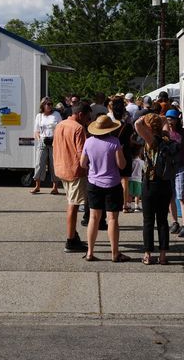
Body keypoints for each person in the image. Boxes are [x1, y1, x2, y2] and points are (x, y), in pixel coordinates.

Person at [79, 114, 129, 262]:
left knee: (93, 218)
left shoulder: (88, 142)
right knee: (112, 219)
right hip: (112, 184)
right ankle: (115, 253)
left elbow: (82, 164)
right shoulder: (114, 142)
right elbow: (122, 165)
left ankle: (90, 252)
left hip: (93, 184)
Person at [134, 114, 179, 265]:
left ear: (149, 128)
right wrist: (162, 119)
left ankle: (148, 254)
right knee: (162, 221)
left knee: (148, 221)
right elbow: (165, 125)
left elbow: (137, 124)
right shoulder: (167, 139)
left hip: (150, 184)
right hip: (165, 184)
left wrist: (145, 118)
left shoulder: (150, 140)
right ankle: (163, 255)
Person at [53, 101, 91, 253]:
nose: (88, 121)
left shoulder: (60, 124)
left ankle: (73, 234)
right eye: (88, 117)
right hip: (75, 171)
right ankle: (70, 240)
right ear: (80, 114)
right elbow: (82, 154)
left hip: (61, 168)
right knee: (73, 206)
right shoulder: (78, 128)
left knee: (71, 203)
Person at [164, 109, 184, 238]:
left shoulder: (183, 132)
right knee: (170, 196)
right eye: (168, 118)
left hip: (180, 167)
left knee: (182, 197)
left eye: (172, 118)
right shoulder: (164, 132)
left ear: (177, 119)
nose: (170, 121)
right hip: (168, 168)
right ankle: (175, 222)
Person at [109, 95, 137, 212]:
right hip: (125, 152)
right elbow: (132, 141)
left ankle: (114, 202)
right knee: (125, 179)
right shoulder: (128, 126)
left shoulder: (110, 126)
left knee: (113, 177)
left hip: (112, 152)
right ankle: (125, 204)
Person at [31, 97, 62, 195]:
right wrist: (40, 139)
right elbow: (36, 131)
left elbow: (61, 128)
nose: (50, 106)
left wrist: (57, 139)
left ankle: (55, 187)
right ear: (43, 105)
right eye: (47, 104)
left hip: (54, 141)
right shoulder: (39, 116)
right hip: (43, 141)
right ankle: (37, 186)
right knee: (39, 163)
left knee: (54, 164)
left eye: (51, 104)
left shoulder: (56, 114)